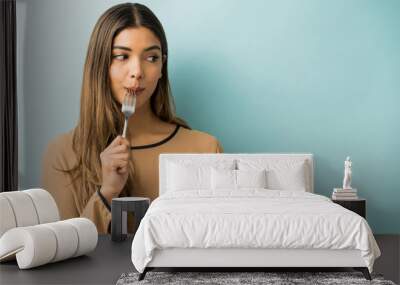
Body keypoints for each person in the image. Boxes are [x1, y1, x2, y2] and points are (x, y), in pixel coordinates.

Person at [41, 3, 223, 234]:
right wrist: (107, 192)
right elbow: (62, 256)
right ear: (100, 66)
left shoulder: (204, 149)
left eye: (151, 57)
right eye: (121, 56)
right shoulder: (63, 153)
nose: (137, 71)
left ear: (162, 67)